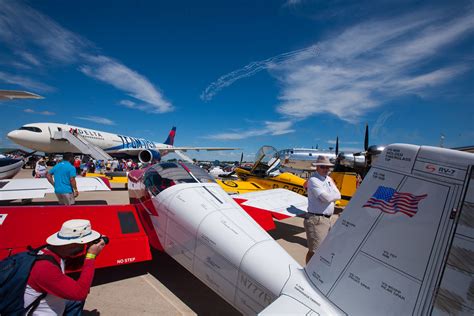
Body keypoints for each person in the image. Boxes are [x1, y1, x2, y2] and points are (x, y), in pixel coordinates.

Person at [24, 219, 106, 315]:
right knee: (77, 296)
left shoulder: (51, 252)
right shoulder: (44, 267)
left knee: (75, 301)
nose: (85, 246)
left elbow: (72, 265)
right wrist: (90, 256)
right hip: (38, 312)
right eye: (84, 244)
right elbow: (80, 293)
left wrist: (92, 254)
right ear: (73, 245)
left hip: (49, 301)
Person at [304, 155, 341, 264]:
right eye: (322, 167)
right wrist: (331, 195)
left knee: (323, 250)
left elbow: (339, 195)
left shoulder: (329, 179)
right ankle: (308, 271)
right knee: (314, 251)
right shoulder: (313, 180)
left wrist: (331, 196)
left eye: (327, 167)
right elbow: (327, 198)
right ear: (317, 167)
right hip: (316, 219)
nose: (326, 169)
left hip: (327, 219)